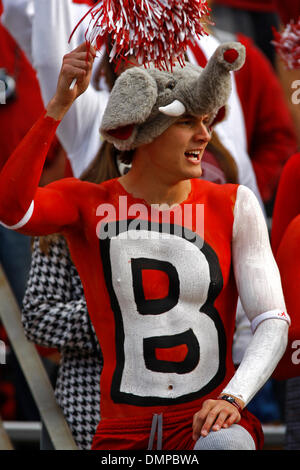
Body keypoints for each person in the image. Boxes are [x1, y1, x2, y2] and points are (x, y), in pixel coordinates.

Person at [0, 39, 290, 450]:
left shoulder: (233, 202)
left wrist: (233, 397)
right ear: (143, 132)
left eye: (207, 120)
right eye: (188, 121)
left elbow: (273, 319)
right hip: (121, 430)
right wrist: (56, 109)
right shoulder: (89, 202)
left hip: (204, 424)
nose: (205, 134)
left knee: (225, 446)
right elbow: (12, 210)